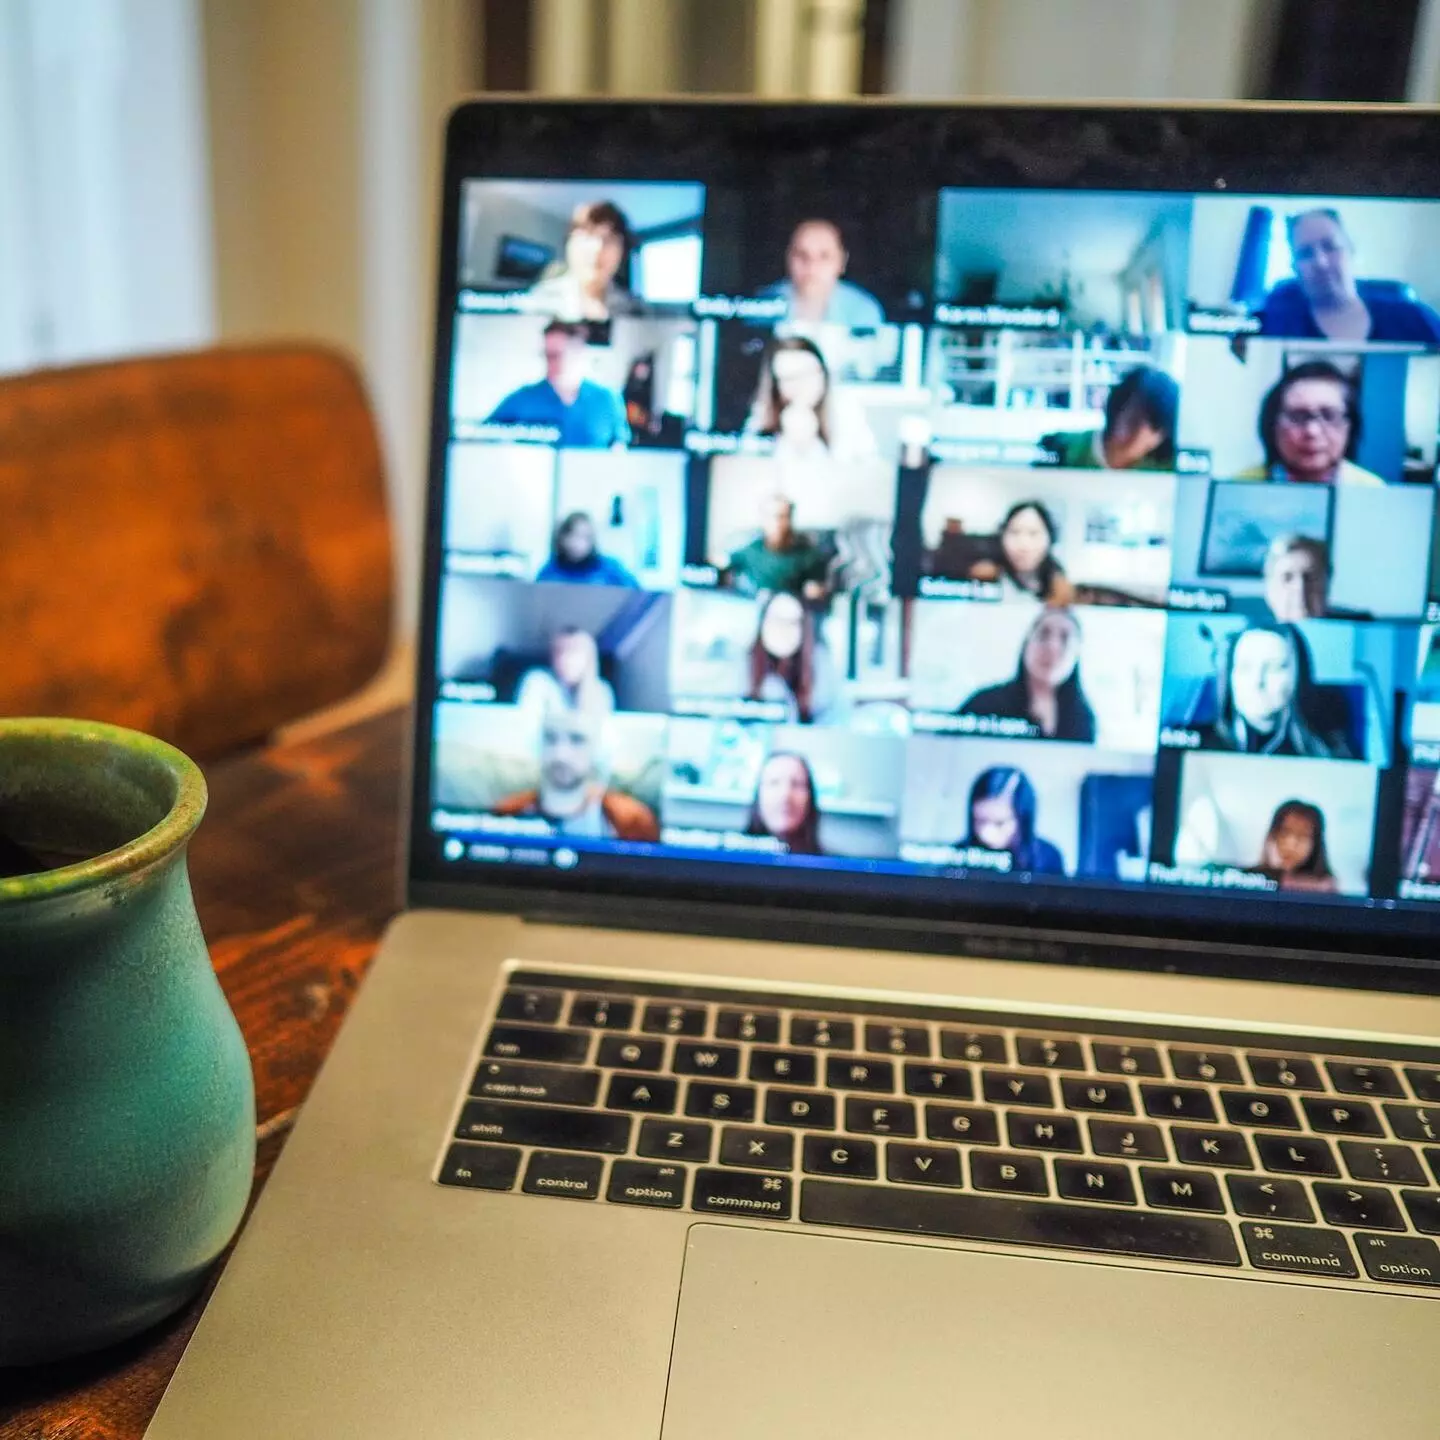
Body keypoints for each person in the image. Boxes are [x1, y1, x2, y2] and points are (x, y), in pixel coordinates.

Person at [1258, 208, 1440, 343]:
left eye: (1330, 246)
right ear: (1294, 268)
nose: (1321, 262)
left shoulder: (1414, 318)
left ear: (1351, 251)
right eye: (1305, 253)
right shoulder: (1274, 328)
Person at [1194, 622, 1354, 759]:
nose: (1257, 682)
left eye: (1274, 668)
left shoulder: (1328, 752)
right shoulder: (1195, 742)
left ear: (1298, 676)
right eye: (1245, 668)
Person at [492, 710, 658, 840]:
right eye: (550, 738)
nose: (560, 754)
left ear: (598, 750)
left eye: (577, 739)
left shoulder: (633, 820)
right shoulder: (507, 813)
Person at [1233, 361, 1383, 486]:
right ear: (1272, 425)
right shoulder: (1239, 487)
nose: (1312, 431)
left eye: (1329, 416)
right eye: (1297, 417)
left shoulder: (1372, 490)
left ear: (1350, 426)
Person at [958, 607, 1097, 742]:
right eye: (1044, 634)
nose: (1052, 647)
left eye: (1065, 639)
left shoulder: (1084, 719)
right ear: (1026, 643)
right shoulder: (983, 704)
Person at [486, 321, 631, 448]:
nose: (549, 362)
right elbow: (483, 438)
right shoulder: (521, 400)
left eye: (556, 355)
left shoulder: (607, 399)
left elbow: (618, 449)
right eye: (546, 355)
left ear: (578, 352)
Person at [745, 336, 876, 462]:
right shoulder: (762, 415)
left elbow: (869, 469)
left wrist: (810, 445)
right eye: (790, 378)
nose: (802, 384)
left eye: (808, 373)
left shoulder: (846, 410)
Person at [1040, 365, 1179, 471]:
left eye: (1154, 425)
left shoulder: (1166, 471)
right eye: (1134, 416)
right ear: (1116, 406)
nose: (1140, 431)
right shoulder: (1062, 448)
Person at [757, 219, 885, 327]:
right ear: (788, 258)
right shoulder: (760, 305)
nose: (811, 265)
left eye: (824, 256)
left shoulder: (863, 310)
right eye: (801, 254)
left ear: (841, 262)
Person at [524, 201, 639, 322]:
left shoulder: (633, 310)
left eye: (608, 239)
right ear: (569, 245)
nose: (597, 248)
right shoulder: (536, 302)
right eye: (588, 236)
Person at [744, 591, 844, 725]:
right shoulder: (745, 664)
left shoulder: (821, 665)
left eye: (791, 622)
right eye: (777, 619)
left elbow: (836, 720)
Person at [962, 766, 1066, 875]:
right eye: (980, 821)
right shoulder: (957, 855)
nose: (986, 833)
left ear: (1022, 820)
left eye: (999, 823)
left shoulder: (1047, 857)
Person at [724, 494, 829, 599]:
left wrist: (816, 590)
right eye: (771, 516)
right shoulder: (750, 551)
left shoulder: (808, 555)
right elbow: (722, 562)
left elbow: (820, 586)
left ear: (790, 519)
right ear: (763, 519)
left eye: (783, 516)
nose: (777, 523)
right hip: (754, 605)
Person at [515, 628, 616, 718]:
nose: (564, 658)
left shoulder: (602, 690)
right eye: (559, 651)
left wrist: (586, 688)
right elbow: (526, 723)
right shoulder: (537, 681)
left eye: (573, 651)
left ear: (589, 658)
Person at [992, 500, 1075, 603]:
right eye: (1014, 532)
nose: (1023, 544)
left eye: (1033, 534)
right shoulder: (985, 573)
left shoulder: (1059, 584)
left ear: (1050, 538)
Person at [1253, 799, 1340, 894]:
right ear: (1271, 835)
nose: (1290, 845)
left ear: (1315, 844)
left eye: (1303, 836)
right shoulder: (1248, 880)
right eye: (1284, 832)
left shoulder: (1326, 888)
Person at [744, 751, 823, 855]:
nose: (785, 795)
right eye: (774, 782)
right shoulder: (727, 857)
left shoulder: (835, 866)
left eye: (797, 784)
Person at [537, 512, 639, 587]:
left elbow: (637, 595)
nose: (579, 543)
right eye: (574, 536)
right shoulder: (549, 571)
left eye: (586, 537)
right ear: (563, 538)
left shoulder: (611, 568)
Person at [1262, 536, 1331, 622]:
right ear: (1269, 591)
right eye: (1287, 577)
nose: (1300, 587)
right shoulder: (1251, 634)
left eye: (1310, 578)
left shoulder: (1350, 632)